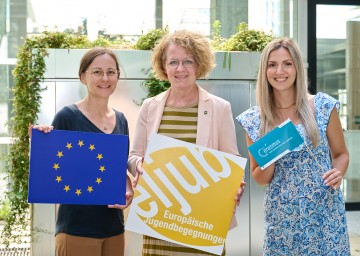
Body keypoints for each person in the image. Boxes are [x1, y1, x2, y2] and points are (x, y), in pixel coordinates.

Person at [127, 29, 246, 256]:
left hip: (202, 226)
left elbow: (232, 161)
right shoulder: (150, 107)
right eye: (173, 62)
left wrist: (235, 185)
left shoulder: (220, 108)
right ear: (163, 66)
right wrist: (139, 164)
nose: (180, 69)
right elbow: (133, 157)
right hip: (158, 223)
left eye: (187, 61)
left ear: (199, 65)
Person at [237, 37, 350, 255]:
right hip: (283, 222)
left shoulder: (323, 106)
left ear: (297, 67)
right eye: (272, 64)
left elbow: (341, 154)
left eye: (287, 63)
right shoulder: (255, 120)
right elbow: (260, 178)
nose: (280, 71)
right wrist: (272, 148)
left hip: (325, 216)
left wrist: (338, 172)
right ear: (265, 70)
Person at [29, 47, 134, 256]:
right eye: (97, 72)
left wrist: (127, 190)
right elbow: (48, 169)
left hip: (114, 229)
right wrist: (41, 141)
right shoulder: (67, 116)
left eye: (111, 72)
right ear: (82, 77)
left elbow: (118, 169)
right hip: (76, 230)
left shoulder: (121, 119)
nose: (105, 78)